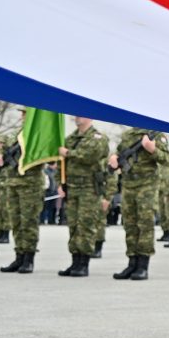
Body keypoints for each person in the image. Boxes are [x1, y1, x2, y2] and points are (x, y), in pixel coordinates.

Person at [111, 127, 169, 280]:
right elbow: (119, 153)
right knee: (130, 224)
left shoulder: (156, 134)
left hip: (147, 186)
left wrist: (152, 149)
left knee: (145, 225)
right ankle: (132, 263)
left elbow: (168, 159)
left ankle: (143, 265)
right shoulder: (127, 135)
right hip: (128, 185)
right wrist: (114, 158)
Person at [56, 116, 110, 277]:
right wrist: (60, 183)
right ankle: (75, 261)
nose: (77, 118)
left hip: (89, 188)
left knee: (86, 225)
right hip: (72, 188)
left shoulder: (98, 138)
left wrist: (68, 153)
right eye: (76, 115)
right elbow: (61, 163)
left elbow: (90, 156)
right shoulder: (70, 139)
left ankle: (83, 263)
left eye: (80, 115)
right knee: (73, 225)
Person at [0, 107, 48, 274]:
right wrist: (0, 154)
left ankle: (28, 258)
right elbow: (2, 145)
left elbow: (43, 157)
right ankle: (19, 256)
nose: (23, 116)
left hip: (30, 185)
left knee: (29, 222)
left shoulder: (39, 135)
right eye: (22, 113)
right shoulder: (16, 135)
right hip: (13, 184)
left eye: (26, 114)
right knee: (16, 222)